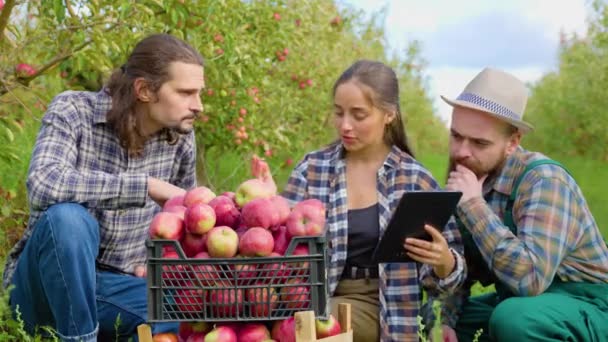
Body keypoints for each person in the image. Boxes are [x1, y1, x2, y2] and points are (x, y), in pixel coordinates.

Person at [2, 33, 205, 341]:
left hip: (115, 288)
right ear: (144, 90)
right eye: (186, 93)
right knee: (68, 219)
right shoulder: (73, 111)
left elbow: (182, 232)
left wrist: (158, 266)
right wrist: (146, 186)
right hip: (46, 284)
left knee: (196, 312)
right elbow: (44, 183)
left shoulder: (179, 140)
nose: (198, 105)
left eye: (199, 93)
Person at [256, 60, 467, 341]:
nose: (345, 125)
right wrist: (269, 203)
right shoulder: (312, 169)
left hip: (380, 304)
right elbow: (281, 249)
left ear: (389, 114)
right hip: (311, 294)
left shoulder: (414, 180)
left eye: (358, 115)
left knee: (305, 329)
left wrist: (444, 262)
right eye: (338, 112)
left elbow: (451, 280)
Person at [427, 67, 608, 341]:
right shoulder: (471, 180)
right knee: (443, 320)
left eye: (479, 142)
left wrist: (474, 205)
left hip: (588, 301)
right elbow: (462, 268)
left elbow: (530, 280)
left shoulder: (543, 180)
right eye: (456, 136)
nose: (462, 152)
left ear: (512, 143)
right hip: (528, 302)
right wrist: (448, 320)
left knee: (513, 319)